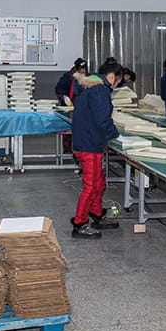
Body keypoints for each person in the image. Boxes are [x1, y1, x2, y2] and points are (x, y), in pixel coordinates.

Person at [70, 60, 124, 239]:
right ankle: (79, 224)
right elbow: (102, 119)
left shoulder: (89, 87)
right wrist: (116, 134)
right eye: (118, 81)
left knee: (99, 183)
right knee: (92, 186)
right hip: (89, 145)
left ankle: (97, 214)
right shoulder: (100, 90)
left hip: (87, 141)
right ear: (112, 77)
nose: (116, 86)